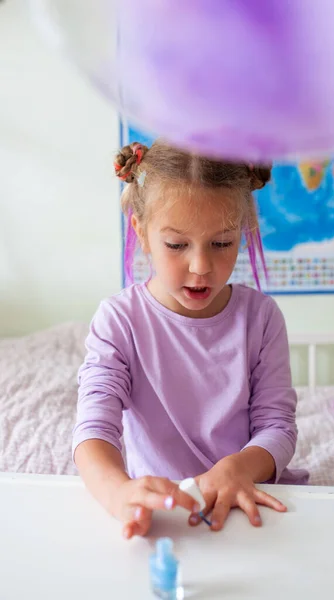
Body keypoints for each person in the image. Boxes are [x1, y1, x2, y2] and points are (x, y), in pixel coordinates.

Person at [73, 140, 309, 540]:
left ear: (243, 234)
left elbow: (278, 427)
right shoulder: (120, 321)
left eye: (221, 243)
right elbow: (93, 428)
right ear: (142, 232)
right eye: (177, 245)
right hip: (164, 512)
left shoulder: (261, 318)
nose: (201, 267)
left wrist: (238, 468)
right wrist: (117, 492)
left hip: (248, 500)